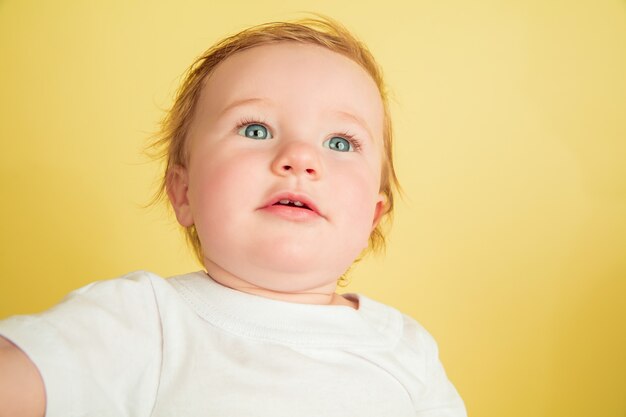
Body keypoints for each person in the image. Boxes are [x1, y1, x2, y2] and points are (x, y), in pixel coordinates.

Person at [0, 17, 467, 417]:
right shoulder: (144, 321)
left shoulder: (406, 350)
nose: (300, 157)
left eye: (340, 142)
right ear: (183, 192)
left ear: (372, 218)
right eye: (256, 128)